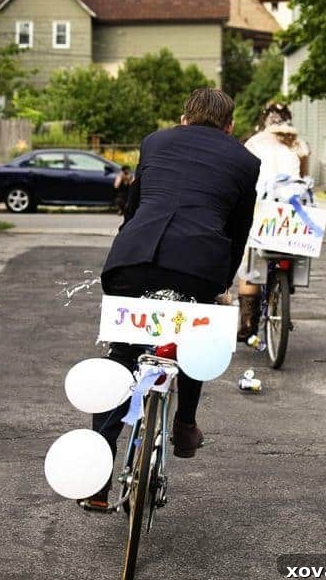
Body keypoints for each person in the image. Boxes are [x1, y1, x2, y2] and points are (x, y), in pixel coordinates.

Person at [88, 88, 260, 507]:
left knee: (124, 354)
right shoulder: (245, 161)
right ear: (229, 125)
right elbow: (239, 232)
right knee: (196, 338)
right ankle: (184, 425)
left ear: (184, 118)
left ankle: (96, 478)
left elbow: (135, 207)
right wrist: (220, 282)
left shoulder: (155, 142)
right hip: (199, 266)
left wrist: (125, 251)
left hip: (132, 259)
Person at [237, 103, 310, 342]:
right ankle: (283, 293)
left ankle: (248, 323)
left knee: (250, 263)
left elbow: (244, 176)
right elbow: (305, 178)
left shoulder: (253, 143)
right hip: (292, 211)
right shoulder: (299, 144)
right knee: (290, 252)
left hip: (263, 208)